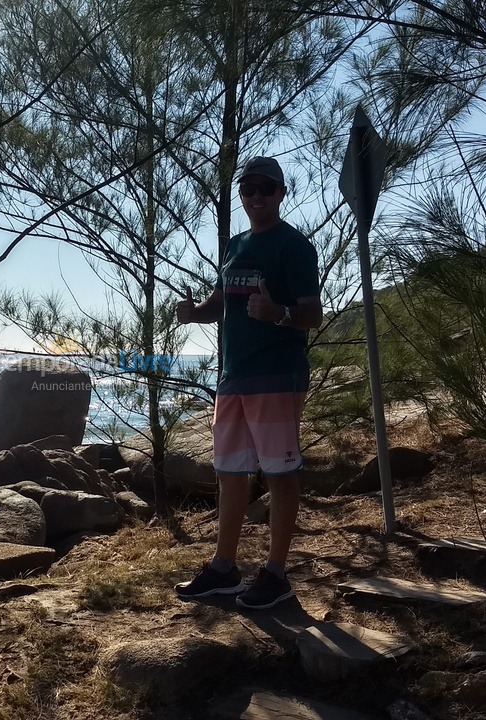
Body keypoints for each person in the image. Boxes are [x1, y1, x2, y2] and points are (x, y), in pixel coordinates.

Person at [174, 155, 323, 610]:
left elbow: (313, 314)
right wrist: (194, 313)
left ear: (281, 193)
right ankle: (224, 569)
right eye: (248, 189)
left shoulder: (294, 246)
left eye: (266, 188)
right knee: (230, 472)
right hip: (234, 377)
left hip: (277, 375)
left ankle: (276, 575)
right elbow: (221, 304)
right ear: (241, 195)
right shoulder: (236, 245)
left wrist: (277, 313)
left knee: (280, 473)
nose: (256, 196)